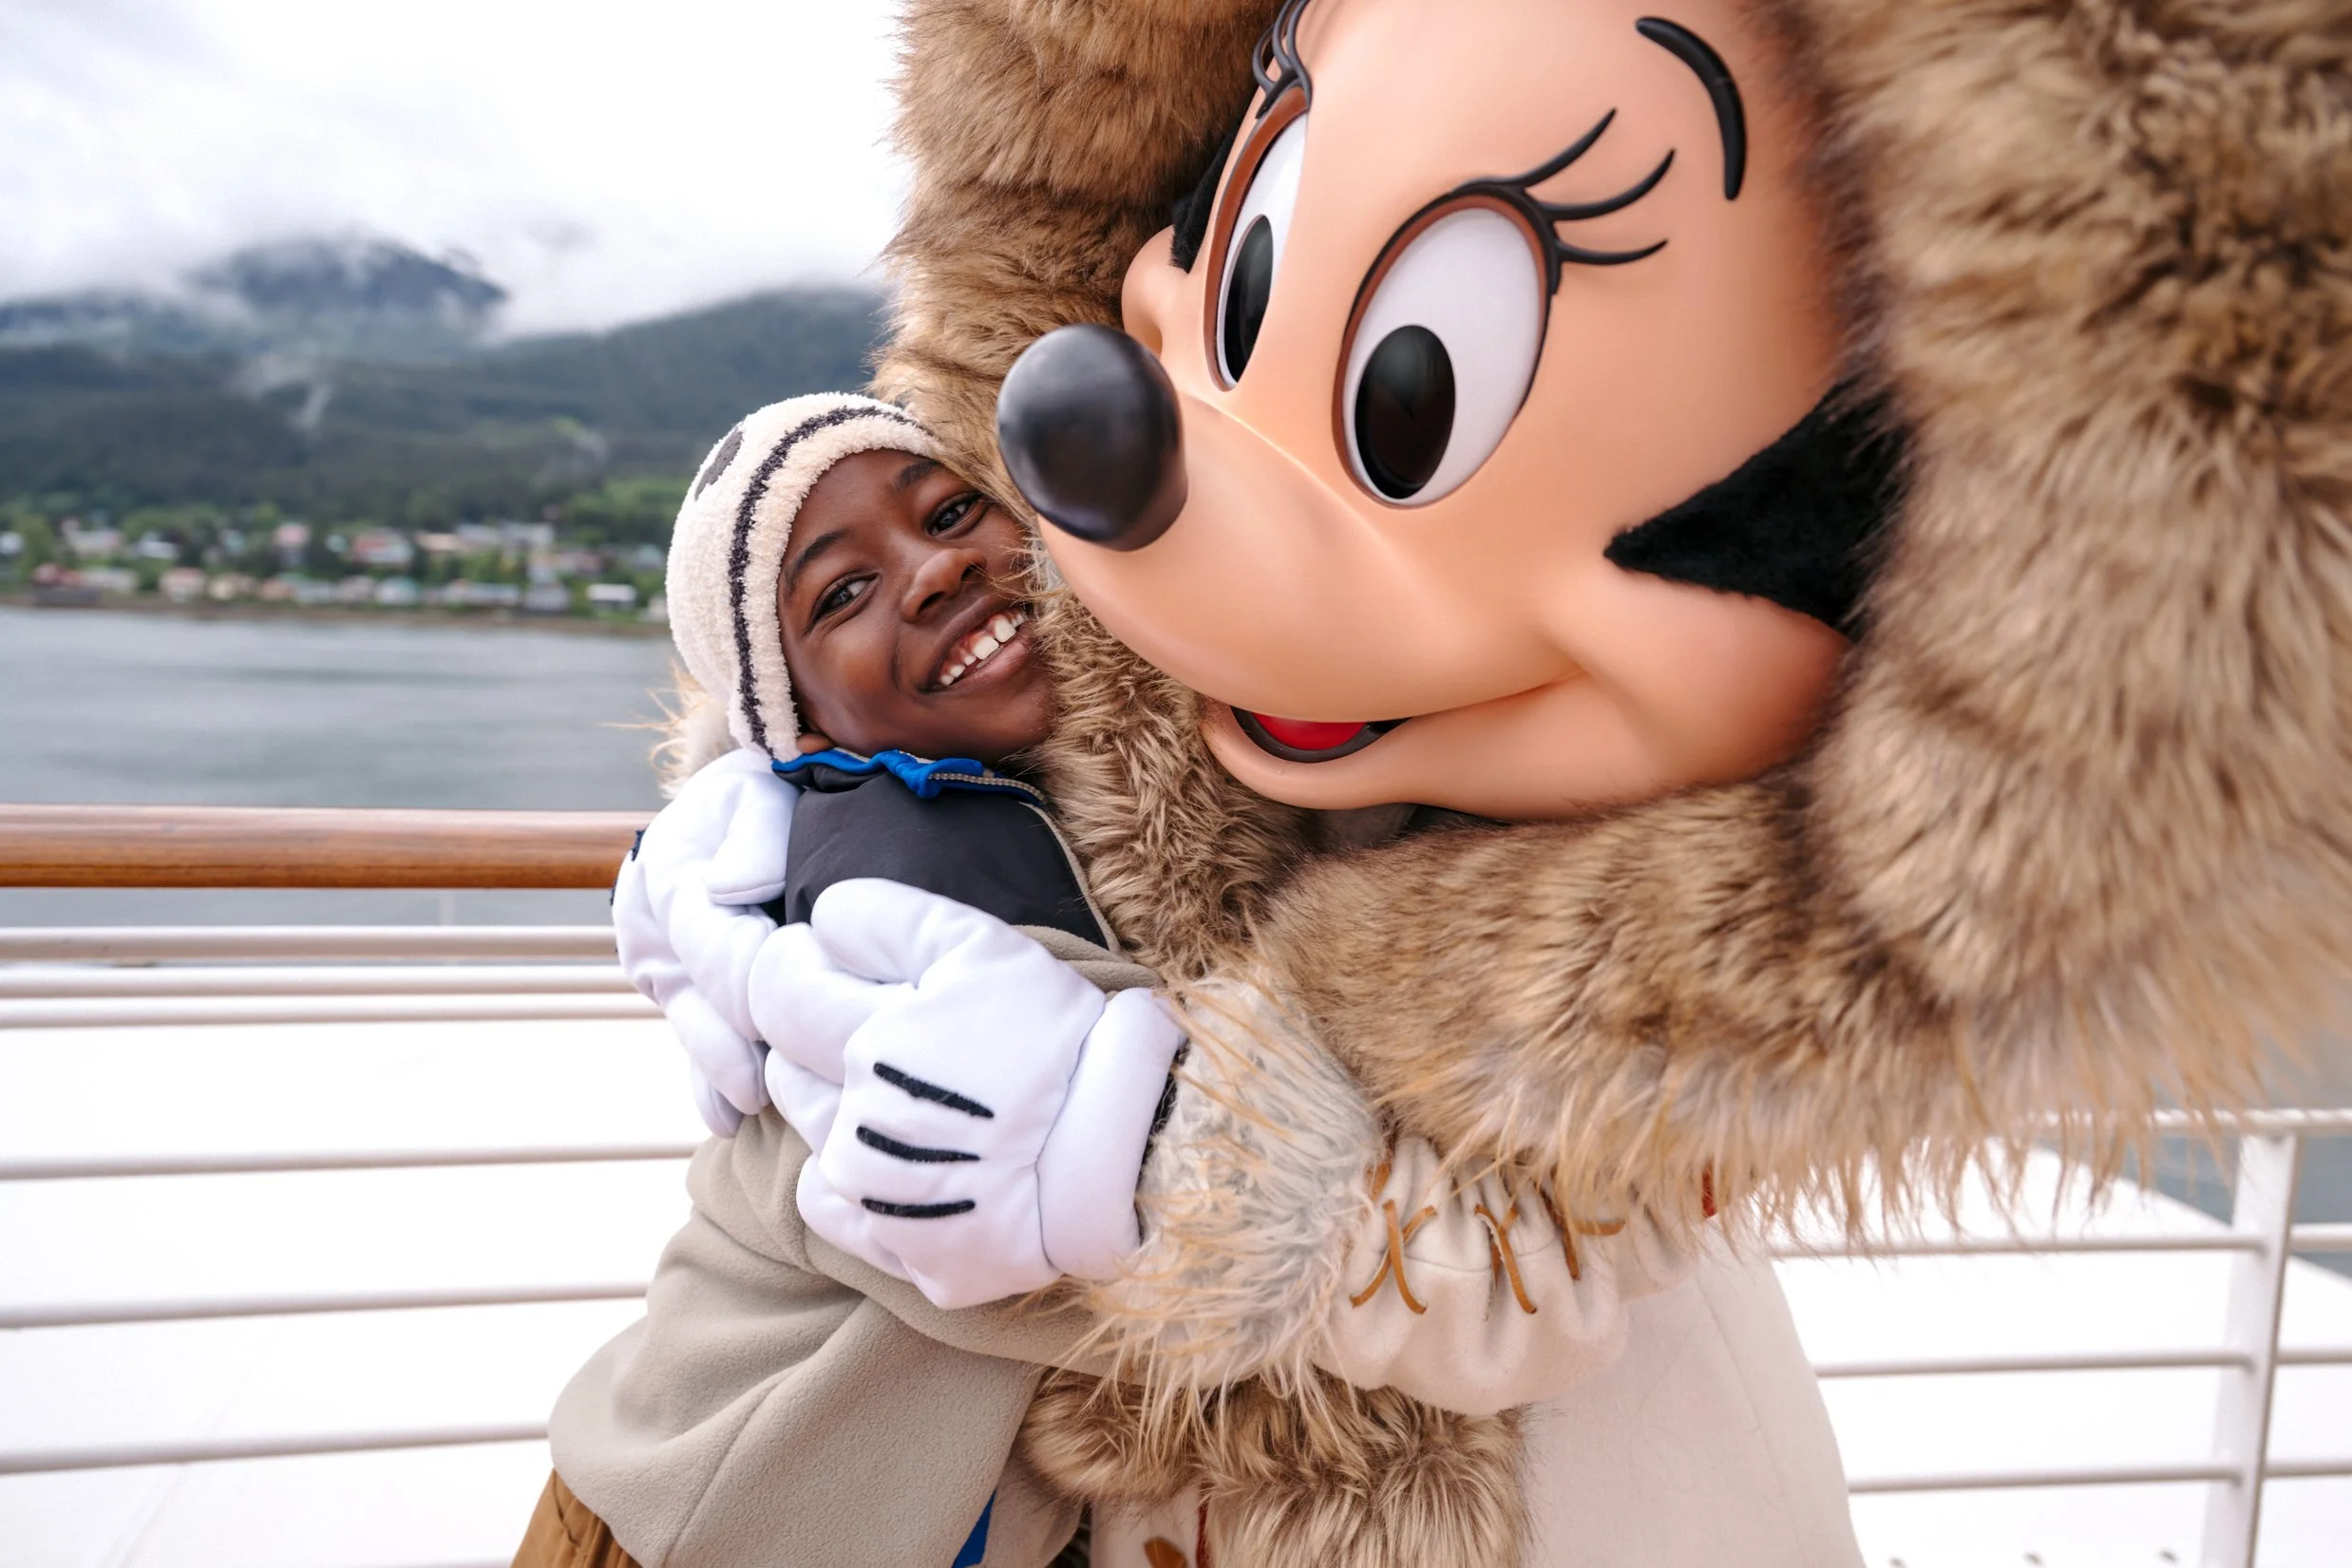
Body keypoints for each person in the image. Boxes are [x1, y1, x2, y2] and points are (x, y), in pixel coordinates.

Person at [532, 392, 1702, 1568]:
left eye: (951, 510)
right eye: (841, 592)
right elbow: (1028, 1252)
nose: (933, 569)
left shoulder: (1010, 807)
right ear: (796, 729)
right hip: (701, 1513)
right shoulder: (892, 902)